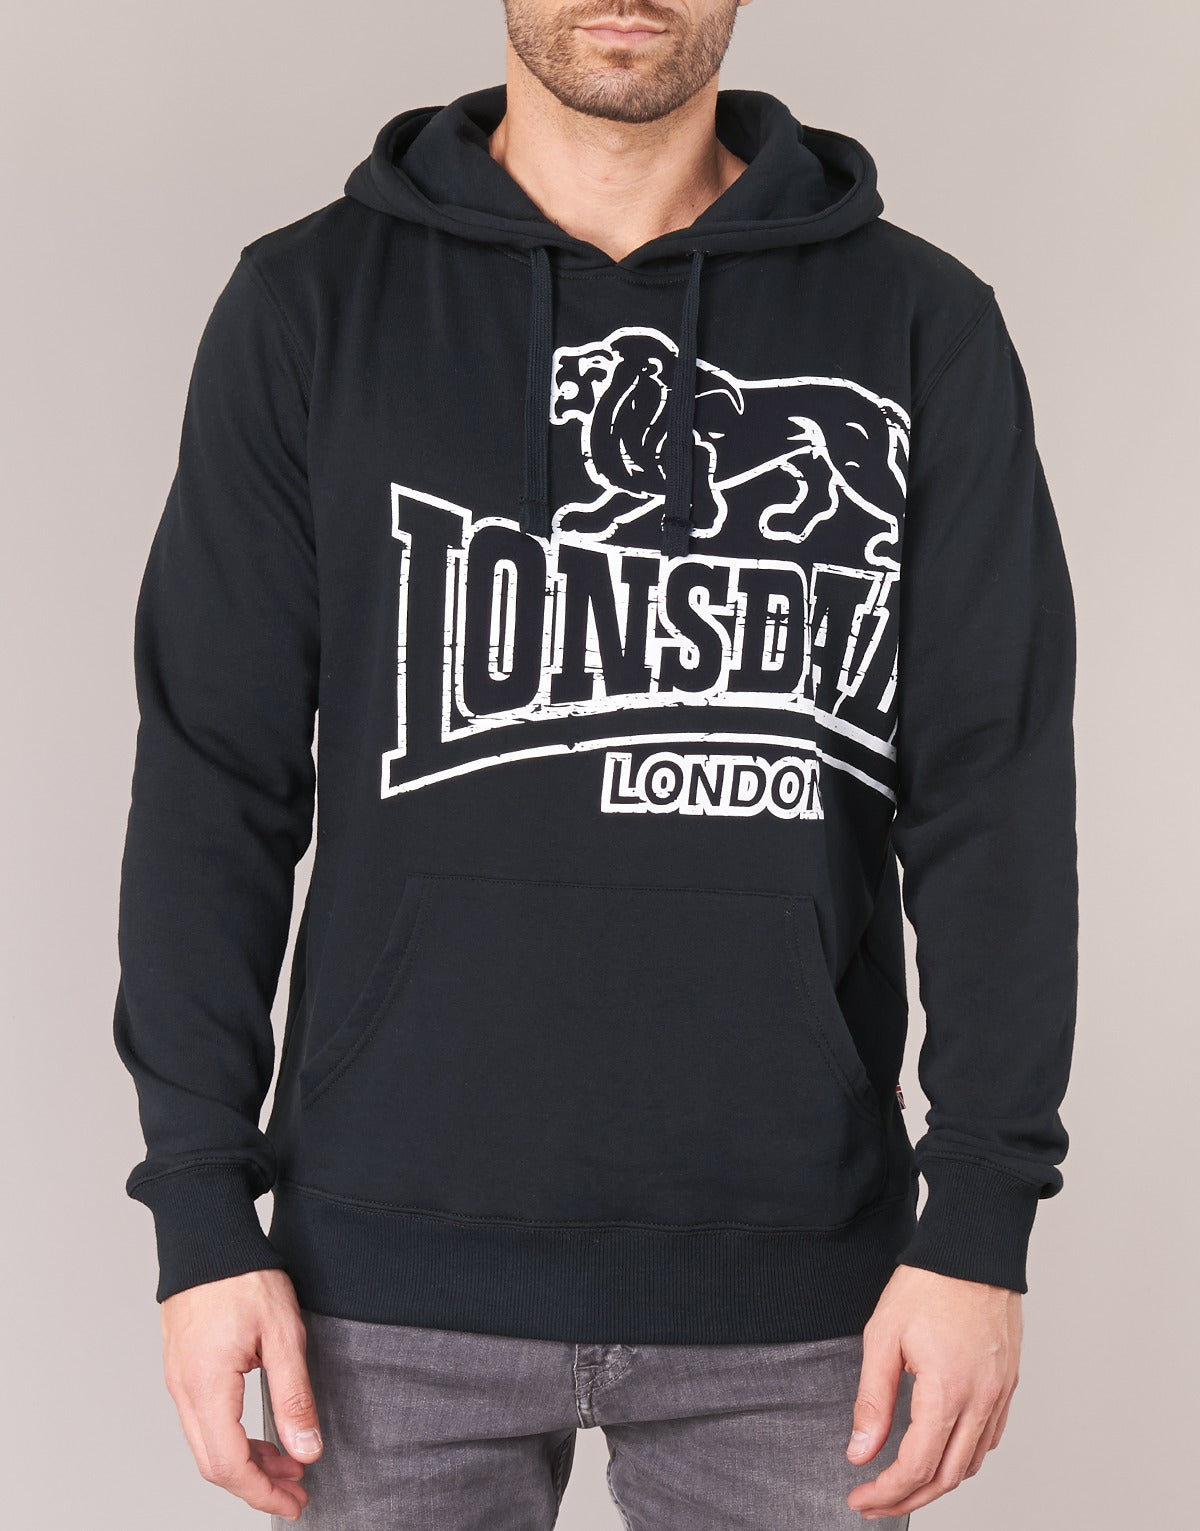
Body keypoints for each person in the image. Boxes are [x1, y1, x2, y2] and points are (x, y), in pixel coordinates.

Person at [112, 1, 1079, 1526]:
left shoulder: (918, 324)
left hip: (800, 1293)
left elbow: (992, 791)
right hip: (381, 1284)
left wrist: (980, 1218)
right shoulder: (309, 306)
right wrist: (198, 1208)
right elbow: (211, 783)